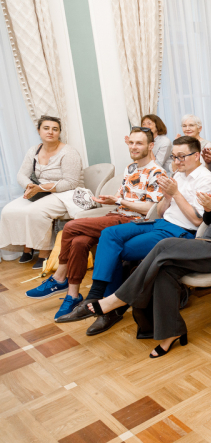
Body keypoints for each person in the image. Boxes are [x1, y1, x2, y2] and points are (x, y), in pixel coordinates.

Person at [67, 141, 211, 357]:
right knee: (165, 271)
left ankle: (112, 301)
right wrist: (210, 208)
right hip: (208, 241)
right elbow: (208, 220)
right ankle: (172, 333)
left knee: (164, 245)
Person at [56, 136, 211, 333]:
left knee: (117, 250)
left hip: (182, 233)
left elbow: (197, 220)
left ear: (196, 156)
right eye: (174, 157)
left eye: (181, 157)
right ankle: (95, 296)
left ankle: (109, 311)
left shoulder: (208, 180)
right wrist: (167, 197)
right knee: (109, 235)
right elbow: (160, 212)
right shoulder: (179, 175)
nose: (176, 162)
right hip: (161, 223)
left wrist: (176, 194)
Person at [25, 128, 164, 318]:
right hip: (117, 214)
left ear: (151, 146)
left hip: (136, 221)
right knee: (79, 242)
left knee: (70, 226)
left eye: (139, 143)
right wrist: (110, 199)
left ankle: (59, 278)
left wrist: (118, 201)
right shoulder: (131, 168)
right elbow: (122, 196)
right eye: (131, 142)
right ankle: (73, 295)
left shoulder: (157, 172)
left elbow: (150, 208)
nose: (133, 146)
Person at [0, 116, 83, 270]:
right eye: (46, 128)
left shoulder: (69, 152)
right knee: (8, 211)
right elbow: (21, 175)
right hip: (38, 190)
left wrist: (42, 188)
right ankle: (28, 247)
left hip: (64, 193)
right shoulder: (33, 150)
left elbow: (71, 182)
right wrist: (30, 186)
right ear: (39, 131)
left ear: (59, 132)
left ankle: (45, 253)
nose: (50, 132)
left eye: (55, 129)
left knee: (35, 212)